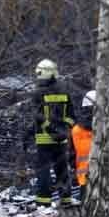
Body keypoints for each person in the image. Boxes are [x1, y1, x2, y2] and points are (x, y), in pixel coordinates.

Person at [27, 59, 75, 207]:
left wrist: (47, 129)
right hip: (62, 138)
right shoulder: (65, 91)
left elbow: (38, 117)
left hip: (44, 137)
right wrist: (64, 130)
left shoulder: (37, 93)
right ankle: (66, 199)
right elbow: (72, 116)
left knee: (43, 170)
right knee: (62, 169)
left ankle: (43, 201)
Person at [69, 90, 95, 198]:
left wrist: (74, 170)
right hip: (103, 177)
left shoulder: (76, 129)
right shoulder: (104, 128)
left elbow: (71, 153)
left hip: (83, 176)